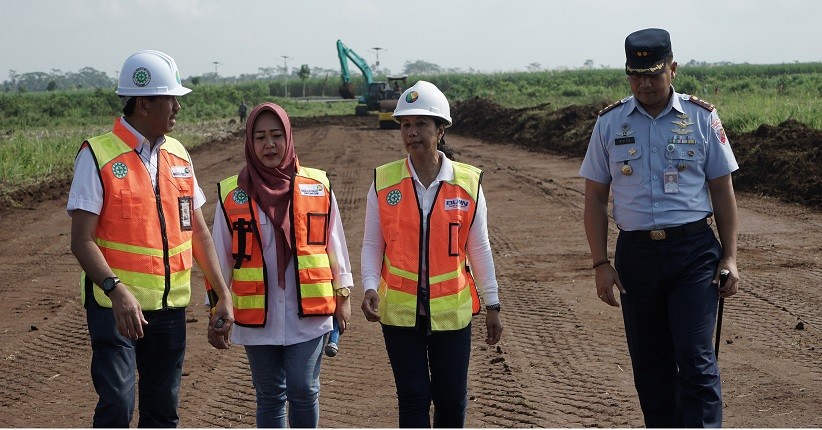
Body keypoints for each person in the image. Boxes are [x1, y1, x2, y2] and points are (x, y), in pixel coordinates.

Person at [579, 28, 740, 428]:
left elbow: (722, 190)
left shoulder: (702, 119)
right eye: (636, 76)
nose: (645, 84)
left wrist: (731, 256)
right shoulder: (609, 123)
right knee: (651, 367)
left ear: (673, 68)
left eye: (653, 74)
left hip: (693, 252)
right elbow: (596, 199)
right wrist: (600, 263)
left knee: (696, 360)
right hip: (636, 257)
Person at [68, 50, 234, 427]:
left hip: (170, 310)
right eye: (170, 99)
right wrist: (116, 290)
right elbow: (81, 241)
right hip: (115, 310)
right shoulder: (98, 155)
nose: (177, 107)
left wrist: (220, 295)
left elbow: (198, 231)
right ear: (144, 103)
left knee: (162, 413)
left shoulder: (178, 155)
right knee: (118, 406)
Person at [360, 80, 504, 428]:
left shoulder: (468, 183)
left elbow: (479, 247)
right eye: (406, 125)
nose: (412, 132)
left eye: (421, 124)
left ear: (441, 130)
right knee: (413, 397)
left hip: (451, 313)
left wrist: (493, 304)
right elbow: (371, 244)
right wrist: (368, 286)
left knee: (451, 401)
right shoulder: (384, 181)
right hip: (399, 312)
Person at [209, 102, 354, 427]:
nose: (269, 144)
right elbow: (219, 259)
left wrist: (343, 298)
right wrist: (218, 306)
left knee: (304, 388)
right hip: (257, 315)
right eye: (260, 137)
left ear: (289, 138)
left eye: (276, 135)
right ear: (250, 142)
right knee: (270, 394)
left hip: (310, 312)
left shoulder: (317, 187)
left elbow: (336, 246)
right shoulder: (232, 194)